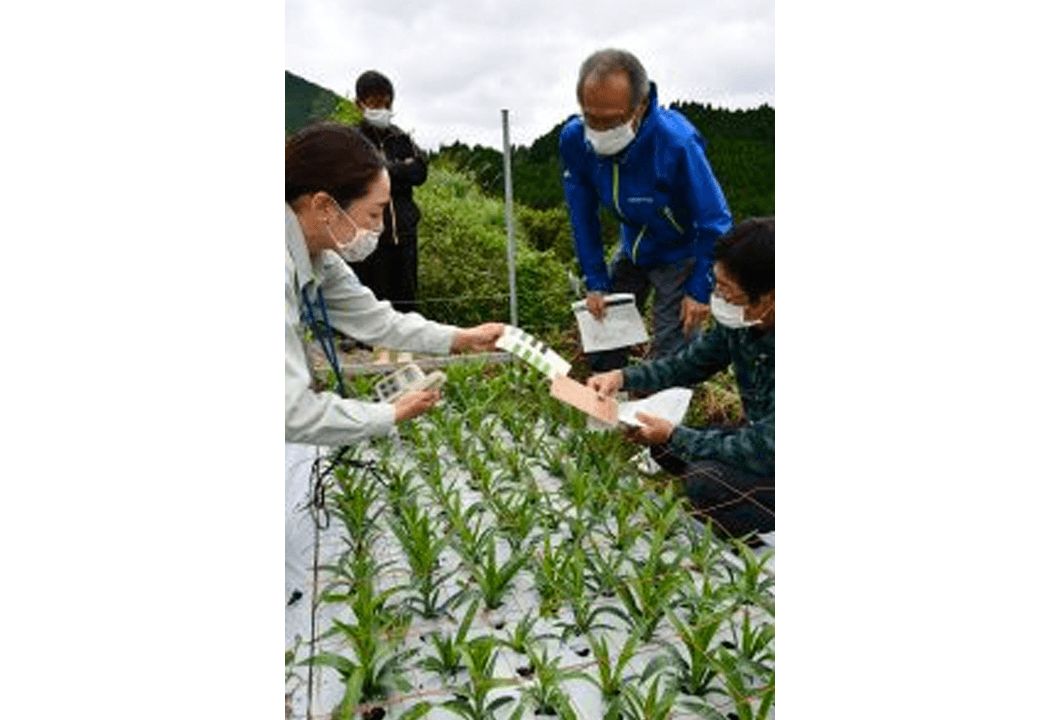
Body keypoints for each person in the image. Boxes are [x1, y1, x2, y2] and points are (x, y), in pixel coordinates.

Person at [285, 121, 502, 624]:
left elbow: (376, 319)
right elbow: (293, 411)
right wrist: (387, 414)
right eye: (375, 212)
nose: (380, 228)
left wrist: (459, 338)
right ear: (323, 205)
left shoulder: (316, 251)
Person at [588, 218, 774, 541]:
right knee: (664, 449)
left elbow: (763, 447)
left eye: (728, 290)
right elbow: (686, 365)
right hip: (760, 438)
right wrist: (621, 377)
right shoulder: (741, 323)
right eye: (717, 283)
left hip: (767, 449)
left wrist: (675, 434)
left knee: (705, 480)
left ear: (768, 298)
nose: (719, 296)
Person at [560, 49, 733, 372]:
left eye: (610, 120)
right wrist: (595, 280)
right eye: (590, 117)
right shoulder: (574, 140)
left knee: (673, 350)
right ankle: (608, 407)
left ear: (639, 106)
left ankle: (669, 417)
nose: (598, 130)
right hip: (633, 245)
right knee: (605, 329)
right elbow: (582, 215)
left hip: (680, 251)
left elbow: (715, 221)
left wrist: (700, 288)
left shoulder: (676, 144)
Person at [346, 70, 428, 319]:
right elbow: (357, 175)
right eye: (373, 102)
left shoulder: (400, 137)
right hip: (368, 234)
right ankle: (365, 342)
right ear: (359, 104)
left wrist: (383, 169)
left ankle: (407, 345)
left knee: (405, 294)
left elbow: (419, 172)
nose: (380, 107)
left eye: (385, 101)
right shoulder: (351, 139)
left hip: (403, 231)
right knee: (371, 293)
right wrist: (398, 168)